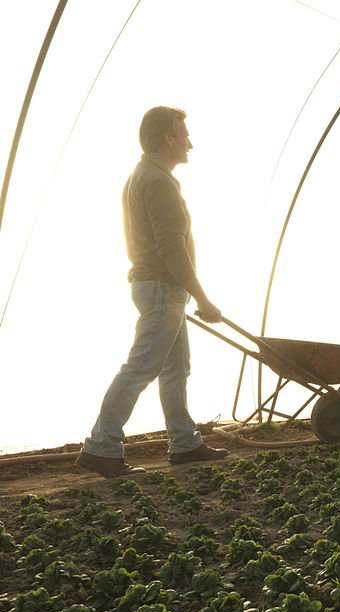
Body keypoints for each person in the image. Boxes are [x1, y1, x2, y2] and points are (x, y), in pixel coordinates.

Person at [77, 106, 229, 478]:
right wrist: (204, 298)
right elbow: (170, 247)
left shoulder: (143, 174)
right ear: (168, 139)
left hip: (161, 288)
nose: (190, 143)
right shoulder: (158, 182)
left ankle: (184, 442)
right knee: (141, 366)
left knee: (175, 368)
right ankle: (101, 445)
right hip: (163, 288)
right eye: (185, 135)